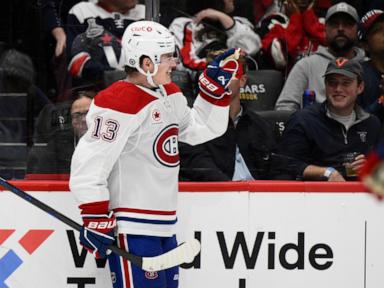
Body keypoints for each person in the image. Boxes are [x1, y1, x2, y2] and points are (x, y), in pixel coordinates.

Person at [69, 20, 240, 287]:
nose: (174, 63)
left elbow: (198, 130)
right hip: (132, 227)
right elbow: (89, 162)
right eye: (167, 57)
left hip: (164, 225)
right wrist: (95, 214)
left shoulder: (169, 93)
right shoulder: (117, 101)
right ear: (146, 63)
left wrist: (213, 93)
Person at [277, 57, 381, 181]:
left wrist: (369, 168)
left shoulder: (372, 124)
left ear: (360, 87)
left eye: (346, 83)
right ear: (325, 85)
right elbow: (283, 166)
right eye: (332, 82)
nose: (338, 89)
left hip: (359, 197)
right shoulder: (303, 120)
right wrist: (327, 172)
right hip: (313, 196)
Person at [179, 51, 277, 181]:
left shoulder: (260, 125)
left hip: (259, 196)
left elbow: (279, 168)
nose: (218, 81)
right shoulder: (191, 123)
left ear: (242, 81)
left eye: (226, 75)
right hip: (218, 196)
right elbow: (199, 167)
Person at [275, 2, 365, 111]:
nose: (340, 28)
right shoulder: (306, 65)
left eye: (347, 24)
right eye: (334, 24)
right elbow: (284, 109)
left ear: (357, 30)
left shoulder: (367, 66)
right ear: (325, 29)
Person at [168, 0, 261, 76]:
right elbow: (182, 64)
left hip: (239, 87)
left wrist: (222, 17)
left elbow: (251, 49)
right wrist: (219, 63)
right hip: (200, 86)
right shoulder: (183, 24)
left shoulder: (239, 22)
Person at [66, 0, 145, 82]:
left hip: (141, 86)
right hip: (96, 88)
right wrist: (110, 76)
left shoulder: (146, 13)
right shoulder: (82, 11)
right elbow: (76, 60)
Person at [258, 0, 326, 70]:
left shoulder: (324, 23)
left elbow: (333, 47)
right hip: (289, 79)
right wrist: (296, 18)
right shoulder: (273, 23)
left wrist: (310, 24)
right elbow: (280, 60)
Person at [358, 9, 384, 123]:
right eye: (378, 30)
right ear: (365, 45)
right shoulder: (358, 76)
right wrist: (381, 101)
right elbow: (355, 126)